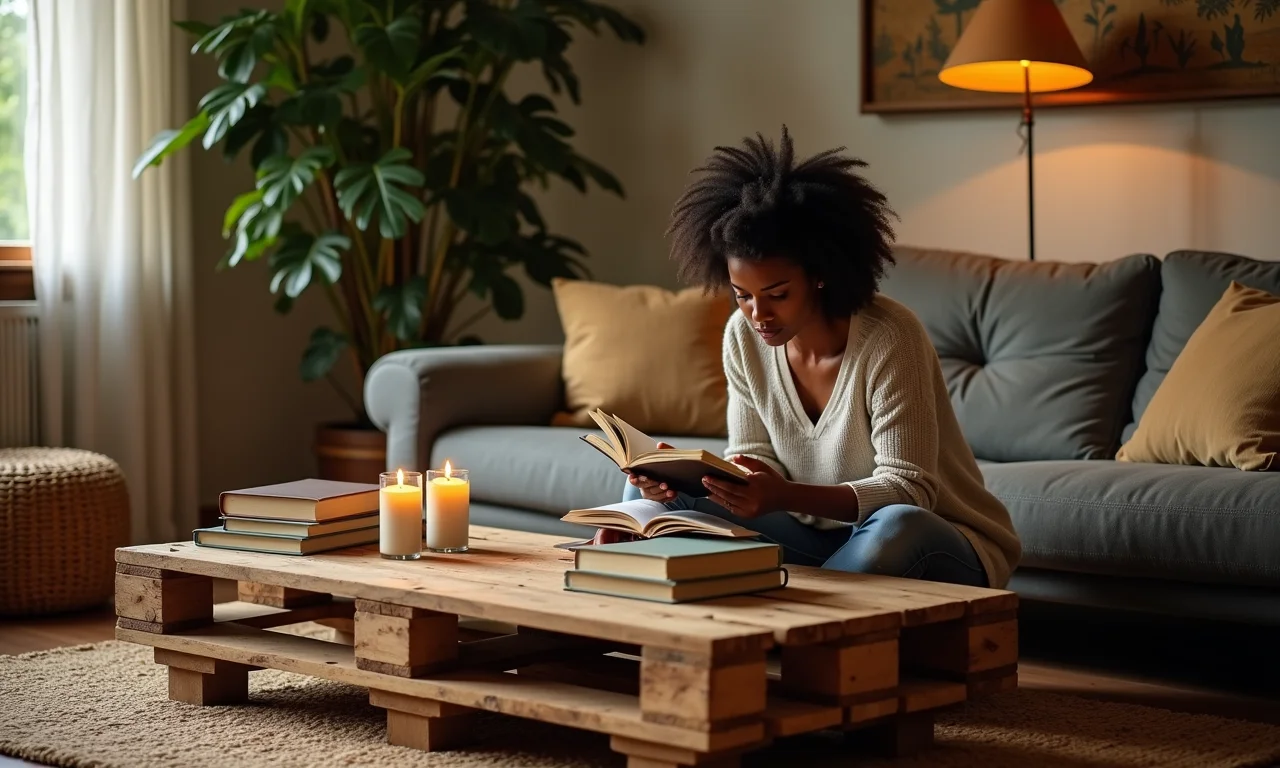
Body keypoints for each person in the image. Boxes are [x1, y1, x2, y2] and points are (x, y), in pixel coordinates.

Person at [617, 126, 1021, 589]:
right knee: (651, 498)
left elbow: (910, 490)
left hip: (940, 538)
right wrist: (702, 478)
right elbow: (753, 454)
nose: (758, 314)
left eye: (777, 294)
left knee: (896, 524)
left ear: (821, 276)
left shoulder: (891, 336)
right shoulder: (742, 336)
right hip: (817, 539)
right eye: (741, 295)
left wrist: (783, 495)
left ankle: (791, 626)